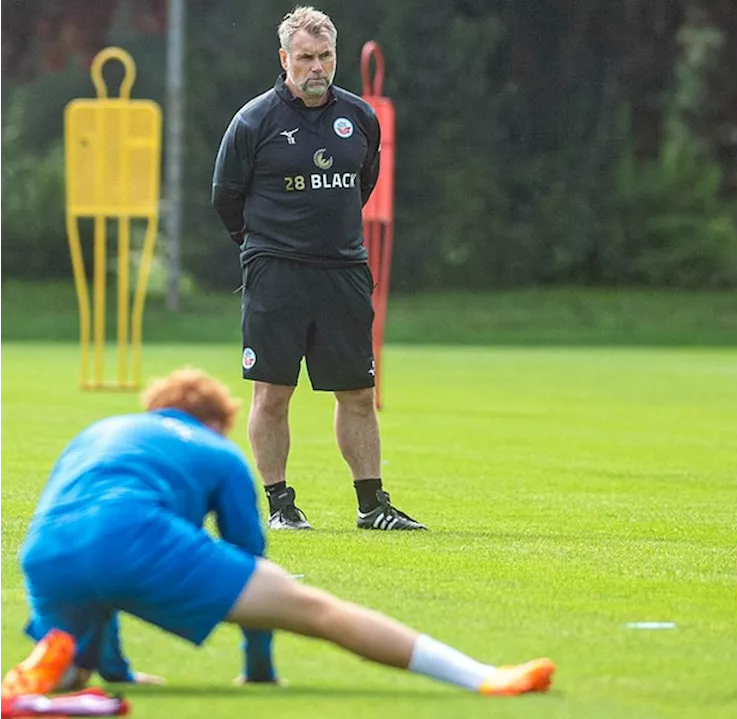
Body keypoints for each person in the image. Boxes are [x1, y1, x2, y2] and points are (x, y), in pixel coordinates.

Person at [2, 368, 554, 698]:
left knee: (72, 677)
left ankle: (62, 665)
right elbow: (250, 554)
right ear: (216, 420)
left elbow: (88, 542)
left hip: (48, 553)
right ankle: (482, 678)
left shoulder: (101, 431)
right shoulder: (216, 450)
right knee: (319, 611)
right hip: (134, 539)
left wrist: (115, 673)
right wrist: (259, 668)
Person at [211, 5, 422, 531]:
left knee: (357, 392)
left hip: (344, 271)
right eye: (305, 58)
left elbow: (362, 184)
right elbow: (225, 197)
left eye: (325, 56)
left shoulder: (361, 118)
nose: (316, 68)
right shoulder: (254, 120)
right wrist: (263, 245)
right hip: (276, 271)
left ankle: (372, 506)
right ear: (284, 59)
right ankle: (281, 505)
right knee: (273, 392)